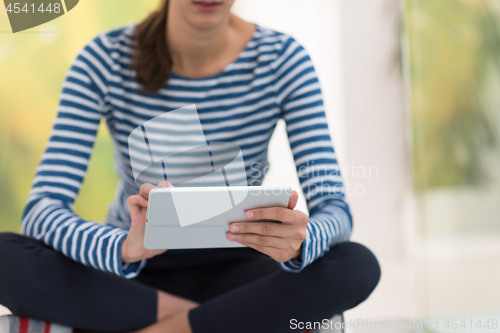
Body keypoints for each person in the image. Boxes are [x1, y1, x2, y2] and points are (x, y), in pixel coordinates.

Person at [0, 0, 380, 332]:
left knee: (356, 265)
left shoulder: (283, 60)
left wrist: (299, 243)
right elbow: (43, 209)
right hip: (133, 271)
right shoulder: (103, 59)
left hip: (243, 265)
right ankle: (219, 322)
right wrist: (124, 248)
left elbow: (335, 208)